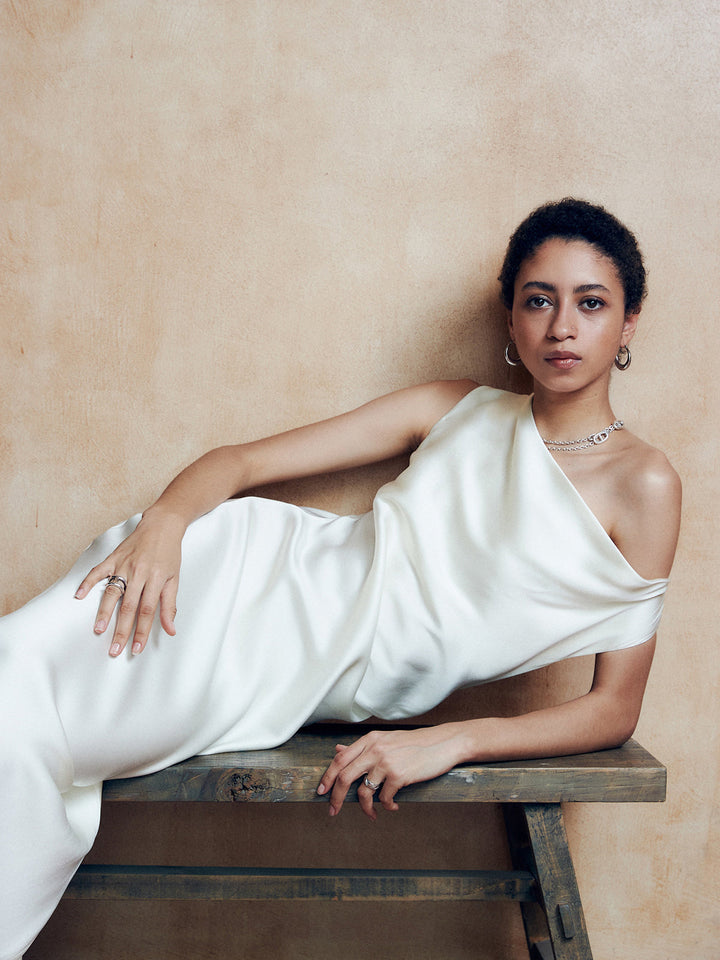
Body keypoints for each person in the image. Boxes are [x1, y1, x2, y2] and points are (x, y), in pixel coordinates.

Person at [0, 198, 681, 959]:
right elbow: (240, 463)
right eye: (539, 300)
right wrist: (165, 525)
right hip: (225, 572)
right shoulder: (455, 408)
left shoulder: (644, 485)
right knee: (12, 677)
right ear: (512, 318)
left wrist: (454, 740)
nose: (562, 327)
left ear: (629, 322)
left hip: (277, 671)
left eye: (591, 303)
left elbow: (613, 709)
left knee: (25, 722)